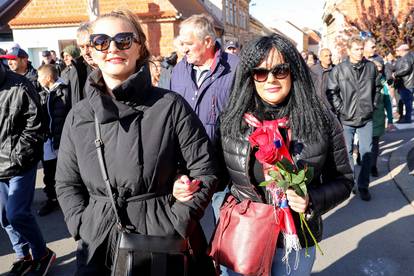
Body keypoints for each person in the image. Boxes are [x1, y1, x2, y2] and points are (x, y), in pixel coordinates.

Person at [174, 33, 353, 275]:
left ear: (294, 72)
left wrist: (312, 199)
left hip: (296, 240)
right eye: (260, 72)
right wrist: (185, 184)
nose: (271, 79)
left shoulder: (321, 120)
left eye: (280, 71)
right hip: (245, 234)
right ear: (249, 77)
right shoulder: (232, 121)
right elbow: (212, 175)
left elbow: (343, 181)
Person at [55, 9, 218, 275]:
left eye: (123, 40)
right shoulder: (80, 116)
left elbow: (206, 170)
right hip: (98, 245)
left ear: (139, 46)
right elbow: (66, 183)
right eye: (101, 41)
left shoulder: (169, 106)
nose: (113, 48)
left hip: (161, 244)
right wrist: (82, 225)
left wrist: (176, 221)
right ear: (91, 53)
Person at [169, 15, 239, 275]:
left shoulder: (235, 68)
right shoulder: (179, 70)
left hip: (224, 172)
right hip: (189, 172)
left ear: (208, 41)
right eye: (181, 43)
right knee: (192, 236)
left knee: (226, 234)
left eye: (188, 43)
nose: (183, 49)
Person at [0, 62, 56, 275]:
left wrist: (18, 156)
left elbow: (36, 126)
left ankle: (41, 253)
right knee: (4, 217)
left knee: (16, 214)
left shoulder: (21, 86)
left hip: (20, 163)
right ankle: (23, 256)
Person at [326, 36, 381, 201]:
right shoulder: (339, 70)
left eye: (361, 48)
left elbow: (378, 87)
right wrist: (341, 109)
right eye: (356, 49)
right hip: (347, 118)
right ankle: (350, 184)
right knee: (347, 153)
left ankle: (363, 186)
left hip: (366, 117)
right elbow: (331, 91)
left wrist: (373, 105)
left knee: (367, 153)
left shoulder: (371, 67)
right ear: (349, 50)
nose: (360, 52)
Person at [36, 64, 71, 216]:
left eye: (40, 76)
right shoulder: (42, 94)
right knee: (49, 172)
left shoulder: (65, 92)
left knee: (65, 172)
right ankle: (52, 199)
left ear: (48, 78)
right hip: (47, 141)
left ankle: (68, 201)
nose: (38, 80)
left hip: (62, 141)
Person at [393, 43, 414, 124]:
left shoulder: (406, 57)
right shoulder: (411, 55)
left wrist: (395, 74)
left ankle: (407, 118)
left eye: (398, 50)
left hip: (406, 83)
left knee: (407, 101)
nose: (396, 51)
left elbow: (406, 68)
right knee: (408, 101)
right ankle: (407, 117)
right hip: (410, 83)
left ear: (403, 50)